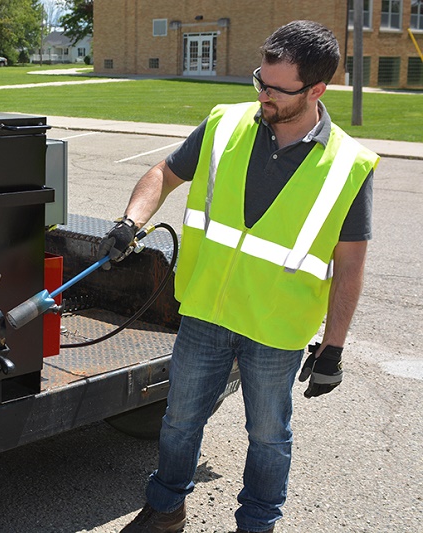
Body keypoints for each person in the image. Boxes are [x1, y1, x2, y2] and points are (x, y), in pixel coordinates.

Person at [101, 20, 379, 533]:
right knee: (179, 421)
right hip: (206, 311)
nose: (262, 94)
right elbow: (163, 173)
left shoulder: (348, 165)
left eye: (276, 88)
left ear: (316, 90)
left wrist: (333, 349)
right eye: (259, 79)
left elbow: (350, 264)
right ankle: (165, 508)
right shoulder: (226, 123)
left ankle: (257, 524)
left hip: (276, 330)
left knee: (269, 436)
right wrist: (130, 221)